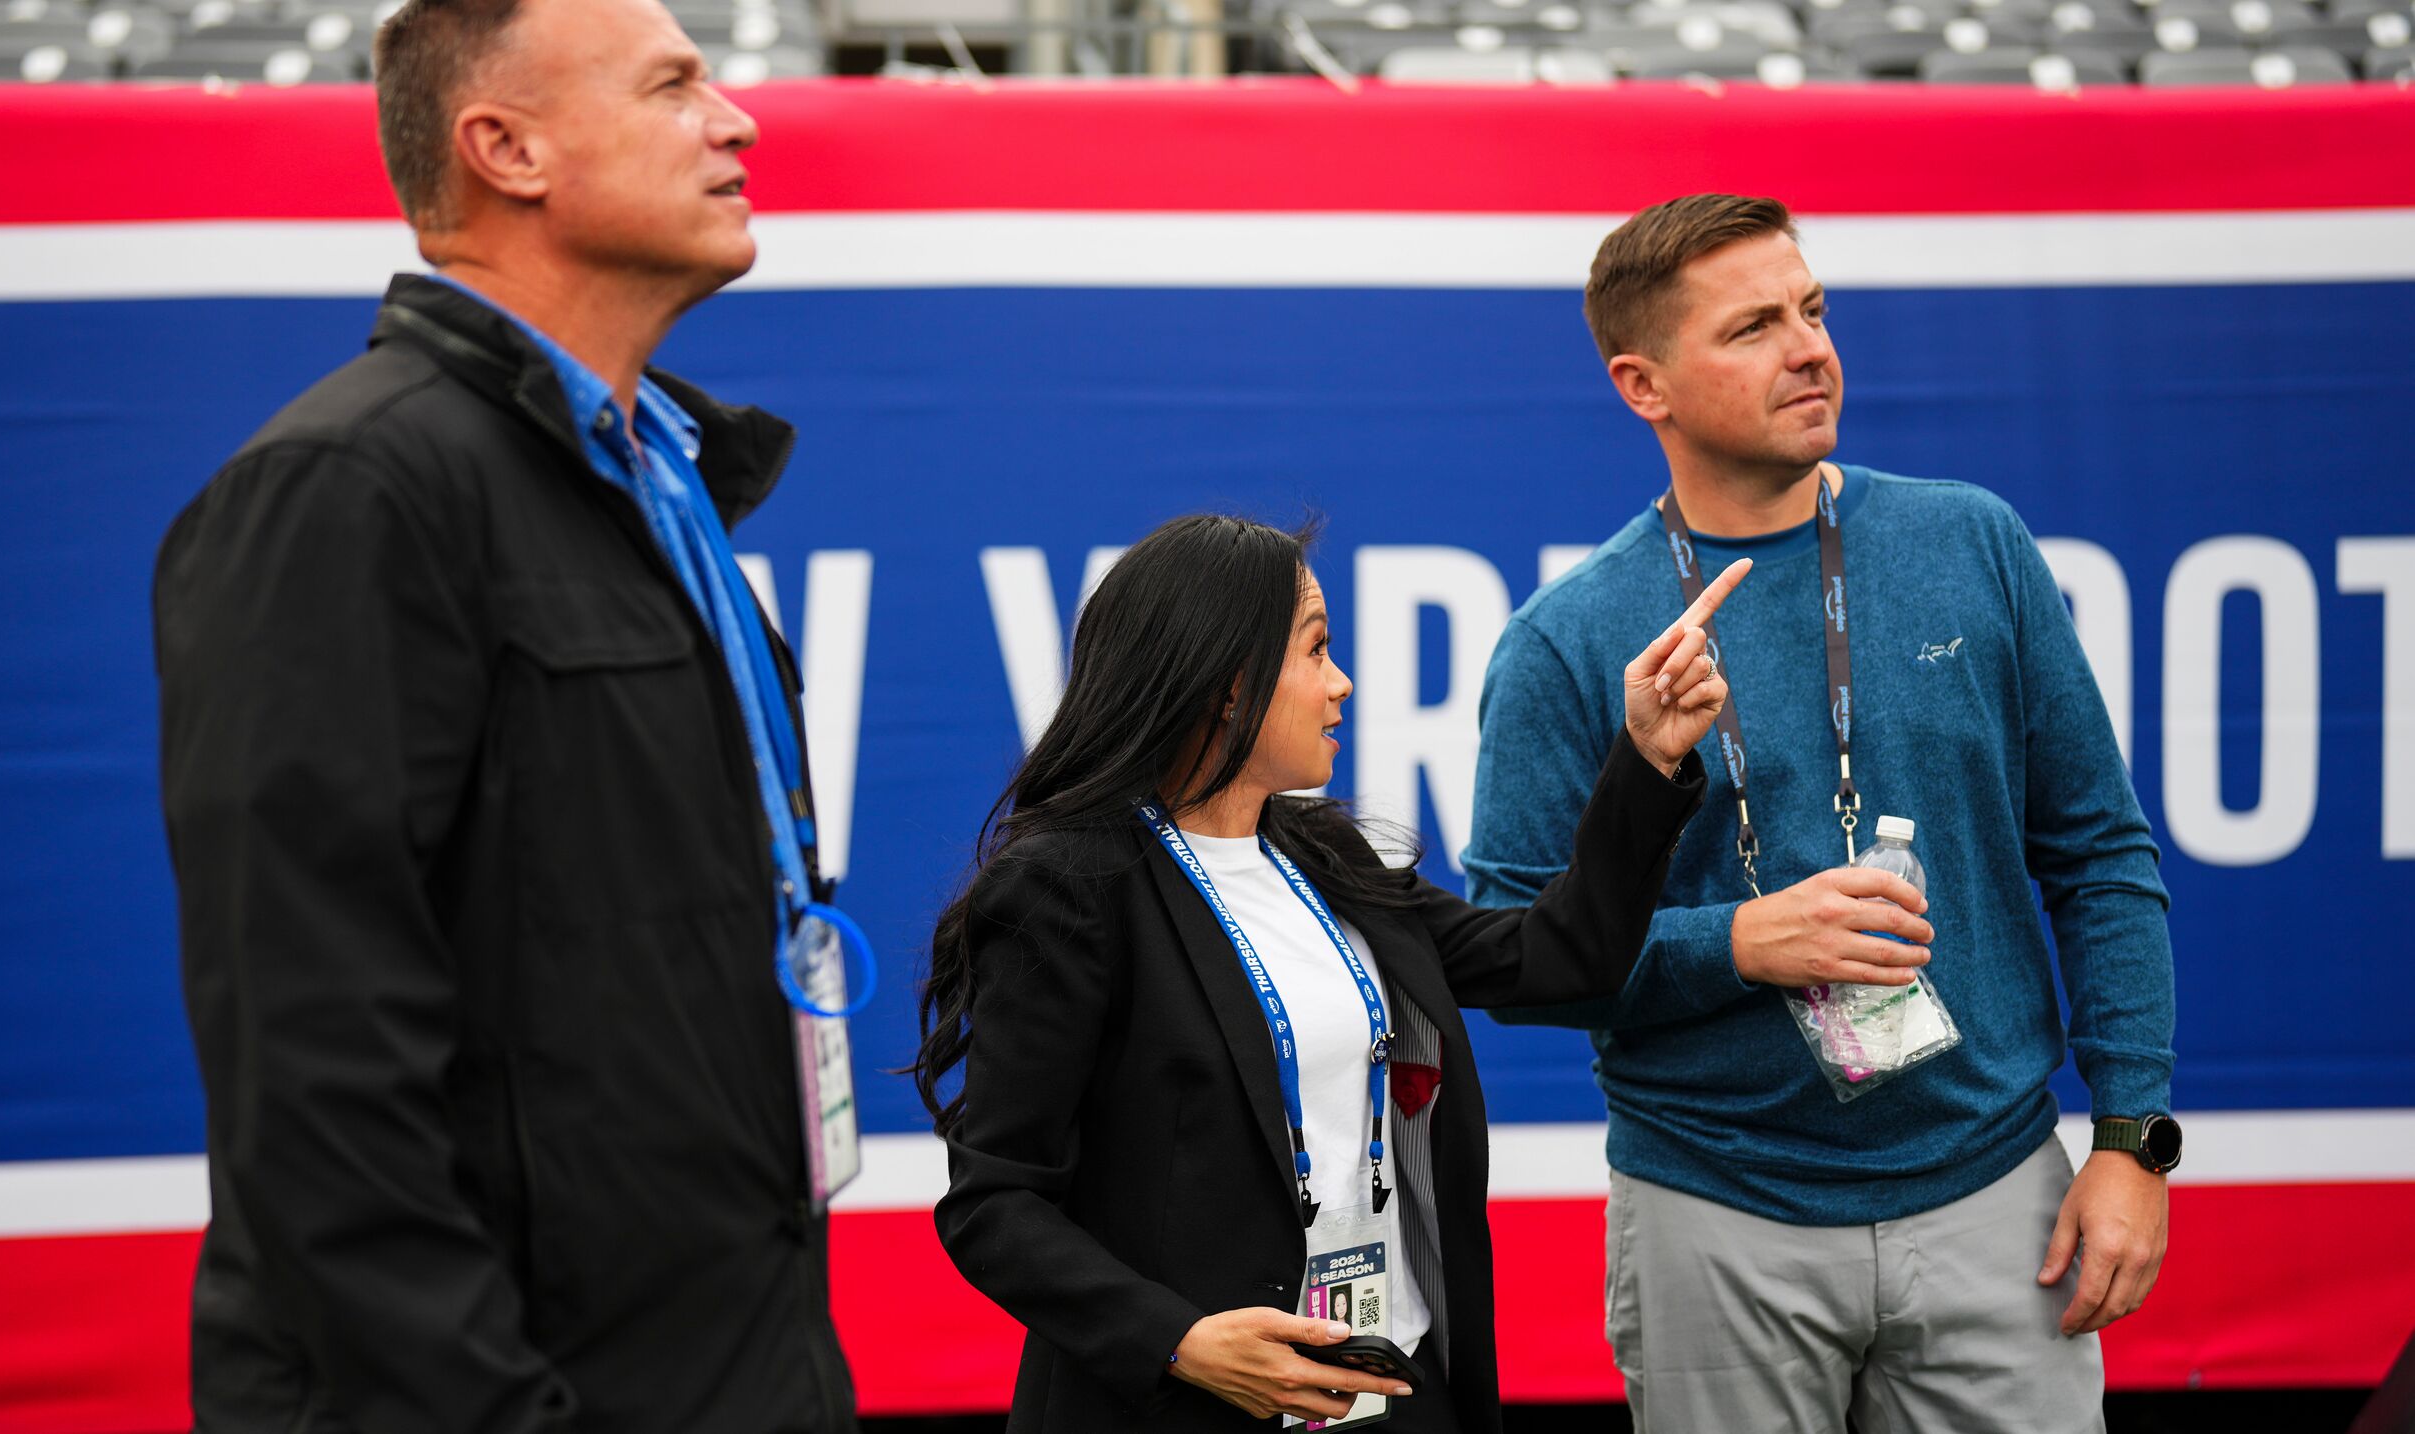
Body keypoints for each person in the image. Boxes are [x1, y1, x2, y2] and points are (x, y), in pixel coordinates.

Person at [152, 0, 862, 1428]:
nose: (737, 119)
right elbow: (318, 1070)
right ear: (506, 148)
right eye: (673, 86)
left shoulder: (662, 486)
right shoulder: (345, 489)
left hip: (725, 1366)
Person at [1466, 193, 2178, 1433]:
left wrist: (2132, 1136)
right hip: (1716, 1213)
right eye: (1753, 327)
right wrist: (1742, 944)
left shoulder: (1971, 543)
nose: (1810, 349)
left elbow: (2102, 856)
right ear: (1646, 385)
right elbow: (1515, 955)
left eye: (1813, 310)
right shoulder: (1570, 640)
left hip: (1995, 1196)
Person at [913, 513, 1752, 1432]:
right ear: (1228, 686)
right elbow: (995, 1203)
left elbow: (1556, 957)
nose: (1342, 684)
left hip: (1392, 1388)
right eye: (1317, 651)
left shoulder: (1321, 853)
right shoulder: (1067, 887)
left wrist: (1647, 759)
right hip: (1190, 1406)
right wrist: (1182, 1343)